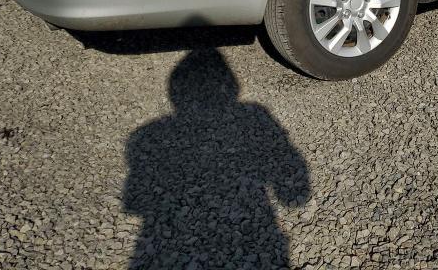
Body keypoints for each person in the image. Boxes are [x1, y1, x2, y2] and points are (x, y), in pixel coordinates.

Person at [123, 49, 310, 268]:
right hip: (262, 227)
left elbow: (135, 201)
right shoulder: (254, 113)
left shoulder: (146, 135)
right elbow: (294, 192)